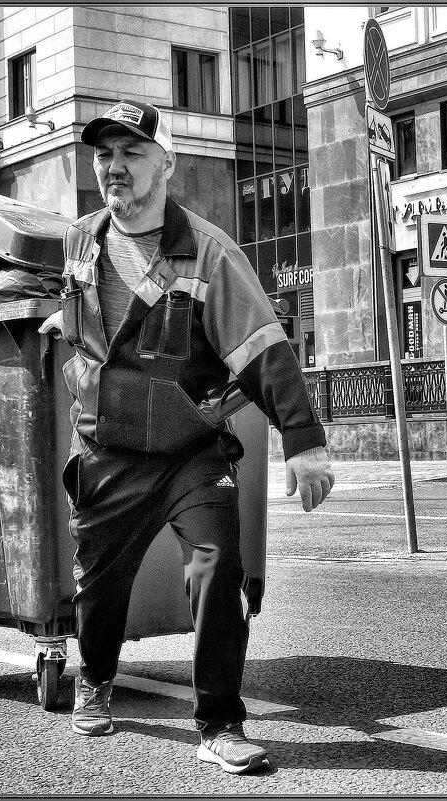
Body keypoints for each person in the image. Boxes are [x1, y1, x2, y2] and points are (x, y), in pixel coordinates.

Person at [39, 99, 334, 775]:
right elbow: (79, 316)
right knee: (99, 587)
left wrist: (304, 440)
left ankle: (220, 724)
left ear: (165, 164)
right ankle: (96, 677)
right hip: (108, 447)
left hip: (188, 449)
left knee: (215, 567)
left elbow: (262, 346)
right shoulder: (80, 238)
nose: (115, 167)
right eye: (104, 154)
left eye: (132, 154)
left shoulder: (206, 250)